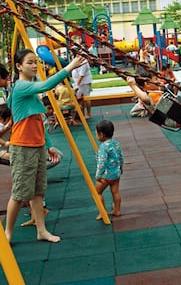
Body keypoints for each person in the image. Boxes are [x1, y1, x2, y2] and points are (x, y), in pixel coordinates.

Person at [5, 48, 85, 243]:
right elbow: (46, 85)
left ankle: (41, 230)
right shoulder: (22, 86)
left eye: (36, 62)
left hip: (36, 145)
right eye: (30, 62)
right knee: (20, 192)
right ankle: (7, 233)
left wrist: (47, 144)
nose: (34, 66)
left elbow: (38, 120)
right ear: (18, 66)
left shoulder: (26, 89)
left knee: (38, 191)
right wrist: (69, 67)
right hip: (23, 147)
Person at [95, 119, 124, 220]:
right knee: (115, 192)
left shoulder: (103, 147)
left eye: (96, 133)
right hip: (116, 173)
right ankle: (117, 210)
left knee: (97, 192)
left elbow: (101, 162)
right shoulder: (116, 144)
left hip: (106, 175)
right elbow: (121, 157)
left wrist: (98, 175)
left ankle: (103, 212)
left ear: (101, 134)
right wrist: (121, 167)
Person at [72, 49, 93, 119]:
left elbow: (82, 75)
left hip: (84, 82)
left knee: (86, 98)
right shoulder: (76, 59)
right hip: (79, 82)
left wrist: (76, 84)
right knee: (81, 99)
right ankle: (82, 114)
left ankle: (88, 114)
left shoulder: (83, 61)